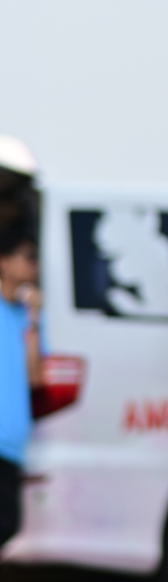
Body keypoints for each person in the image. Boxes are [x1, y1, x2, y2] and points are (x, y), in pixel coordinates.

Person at [0, 227, 44, 555]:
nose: (34, 266)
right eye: (28, 257)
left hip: (12, 444)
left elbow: (35, 377)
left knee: (8, 524)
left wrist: (34, 319)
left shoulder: (28, 317)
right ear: (3, 261)